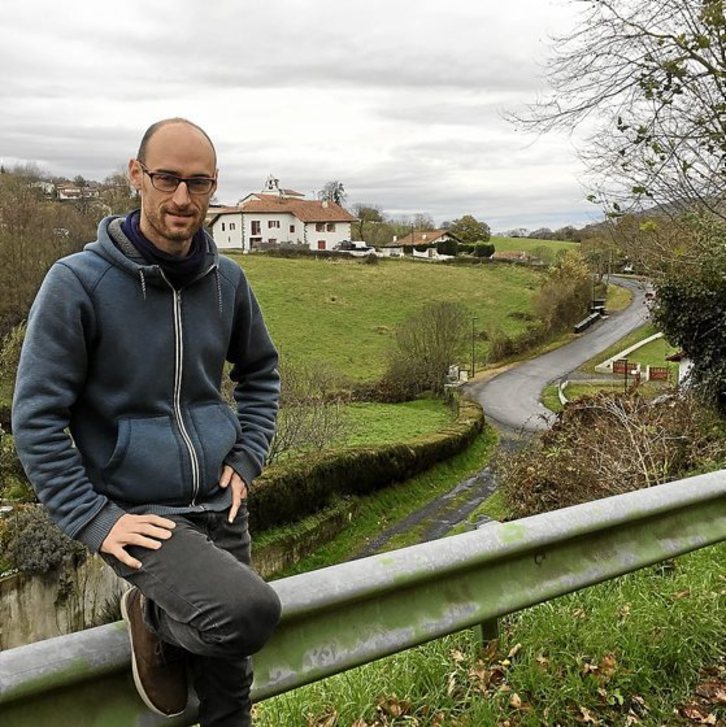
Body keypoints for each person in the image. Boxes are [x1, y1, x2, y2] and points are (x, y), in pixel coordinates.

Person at [12, 118, 282, 726]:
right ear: (136, 176)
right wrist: (93, 518)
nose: (182, 198)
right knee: (248, 615)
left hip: (222, 505)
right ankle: (153, 614)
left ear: (215, 186)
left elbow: (261, 371)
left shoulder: (227, 281)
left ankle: (170, 623)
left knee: (231, 702)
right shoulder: (78, 283)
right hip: (143, 517)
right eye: (167, 179)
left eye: (198, 183)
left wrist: (247, 457)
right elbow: (35, 417)